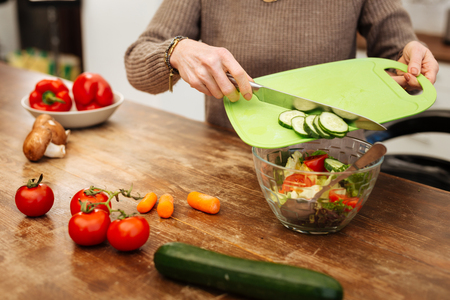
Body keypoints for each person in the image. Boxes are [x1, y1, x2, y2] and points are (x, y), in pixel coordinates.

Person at [124, 0, 439, 132]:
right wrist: (175, 51)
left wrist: (408, 61)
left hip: (333, 161)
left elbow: (397, 54)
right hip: (226, 160)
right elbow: (137, 61)